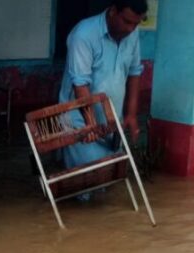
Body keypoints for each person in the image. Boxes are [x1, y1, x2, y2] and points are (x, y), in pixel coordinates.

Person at [58, 0, 148, 174]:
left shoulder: (133, 33)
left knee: (113, 175)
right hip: (80, 121)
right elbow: (80, 84)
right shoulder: (83, 35)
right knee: (89, 179)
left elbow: (135, 72)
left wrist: (130, 114)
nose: (131, 29)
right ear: (113, 11)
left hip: (112, 120)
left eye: (136, 24)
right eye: (127, 22)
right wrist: (90, 125)